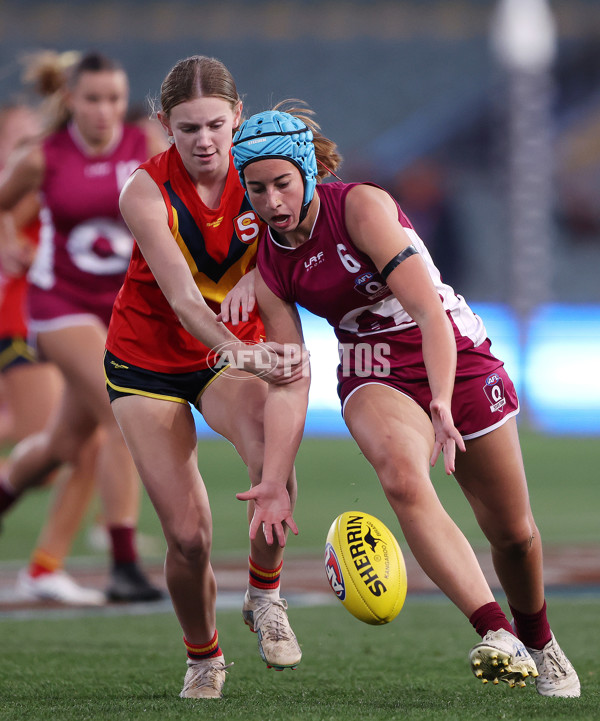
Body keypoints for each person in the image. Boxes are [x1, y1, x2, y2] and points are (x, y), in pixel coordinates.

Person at [226, 105, 581, 698]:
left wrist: (441, 402)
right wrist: (273, 477)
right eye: (256, 189)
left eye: (281, 183)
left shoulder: (361, 206)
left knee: (514, 535)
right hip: (373, 369)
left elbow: (429, 314)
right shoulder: (268, 263)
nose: (271, 201)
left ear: (308, 172)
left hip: (454, 358)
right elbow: (291, 378)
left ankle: (539, 639)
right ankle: (495, 632)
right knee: (401, 478)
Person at [104, 55, 304, 700]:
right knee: (188, 538)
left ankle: (264, 595)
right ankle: (203, 657)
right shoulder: (144, 190)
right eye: (187, 128)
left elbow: (304, 235)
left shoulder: (263, 173)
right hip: (147, 362)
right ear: (164, 124)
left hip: (225, 358)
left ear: (239, 116)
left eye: (217, 124)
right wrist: (239, 351)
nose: (205, 141)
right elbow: (186, 299)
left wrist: (258, 281)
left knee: (275, 460)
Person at [0, 51, 166, 603]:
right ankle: (123, 563)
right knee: (126, 408)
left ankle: (32, 545)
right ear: (70, 100)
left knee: (65, 444)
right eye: (93, 99)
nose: (105, 111)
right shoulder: (43, 157)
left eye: (115, 99)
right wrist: (7, 239)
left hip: (120, 308)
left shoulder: (144, 144)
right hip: (59, 306)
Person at [0, 100, 104, 605]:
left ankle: (46, 567)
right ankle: (49, 566)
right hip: (26, 322)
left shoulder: (73, 174)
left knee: (80, 446)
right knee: (63, 450)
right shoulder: (36, 171)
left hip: (58, 321)